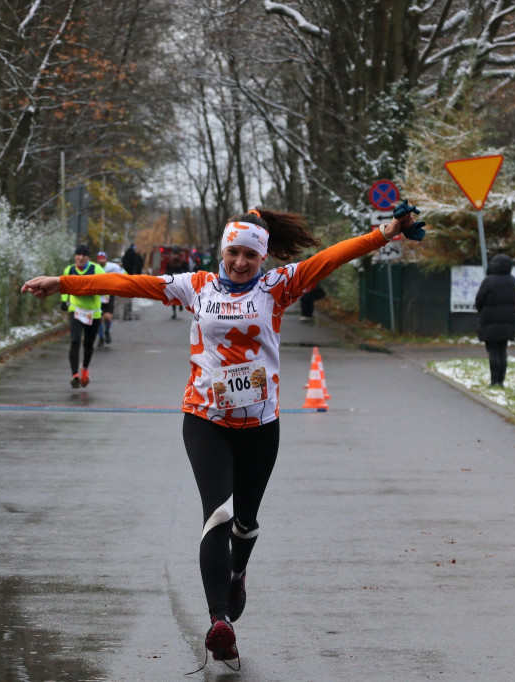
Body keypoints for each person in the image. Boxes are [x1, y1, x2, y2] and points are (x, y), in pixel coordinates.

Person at [22, 203, 425, 666]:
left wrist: (387, 232)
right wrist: (63, 283)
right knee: (217, 514)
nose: (239, 263)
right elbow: (129, 283)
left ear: (263, 258)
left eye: (249, 257)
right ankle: (220, 623)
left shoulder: (278, 287)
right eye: (233, 253)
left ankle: (238, 572)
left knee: (245, 522)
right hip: (205, 418)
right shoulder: (196, 287)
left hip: (259, 423)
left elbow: (332, 256)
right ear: (222, 252)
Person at [61, 244, 105, 388]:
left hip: (93, 313)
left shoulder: (96, 269)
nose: (80, 257)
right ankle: (75, 375)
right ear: (75, 256)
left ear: (88, 257)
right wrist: (63, 301)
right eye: (78, 255)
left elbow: (107, 287)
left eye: (84, 255)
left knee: (88, 344)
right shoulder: (69, 270)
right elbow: (64, 286)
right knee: (75, 341)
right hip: (76, 310)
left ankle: (85, 368)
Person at [474, 254, 515, 387]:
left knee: (493, 351)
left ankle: (494, 381)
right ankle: (501, 380)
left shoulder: (488, 281)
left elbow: (479, 301)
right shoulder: (513, 281)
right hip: (507, 323)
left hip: (490, 322)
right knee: (502, 351)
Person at [95, 251, 124, 346]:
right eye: (99, 258)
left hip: (109, 294)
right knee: (99, 318)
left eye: (103, 258)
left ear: (106, 259)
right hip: (98, 296)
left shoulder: (113, 267)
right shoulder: (95, 268)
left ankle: (107, 331)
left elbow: (123, 275)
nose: (101, 260)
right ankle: (101, 338)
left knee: (108, 317)